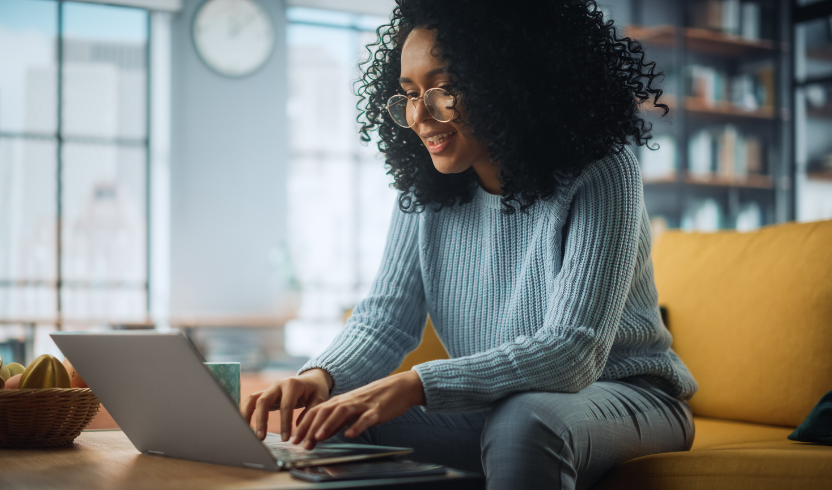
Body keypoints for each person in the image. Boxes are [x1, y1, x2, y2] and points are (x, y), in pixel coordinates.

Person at [242, 1, 698, 488]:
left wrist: (418, 383)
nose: (420, 115)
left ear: (508, 80)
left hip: (629, 398)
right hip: (499, 404)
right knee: (330, 423)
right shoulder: (424, 191)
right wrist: (321, 378)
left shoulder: (602, 171)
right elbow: (383, 321)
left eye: (444, 90)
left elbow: (574, 350)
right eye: (409, 94)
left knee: (526, 421)